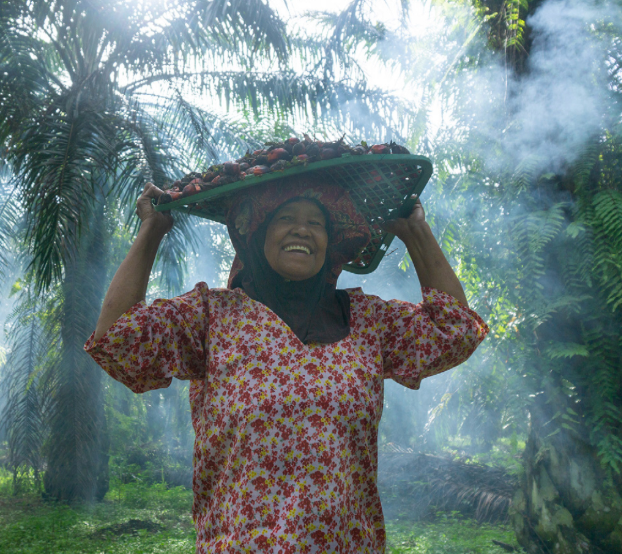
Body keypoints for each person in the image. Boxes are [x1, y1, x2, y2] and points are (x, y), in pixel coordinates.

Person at [86, 176, 489, 554]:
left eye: (317, 222)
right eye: (285, 218)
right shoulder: (212, 317)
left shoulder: (370, 322)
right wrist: (152, 229)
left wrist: (415, 231)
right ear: (257, 236)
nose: (302, 229)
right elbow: (118, 341)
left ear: (331, 246)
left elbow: (455, 332)